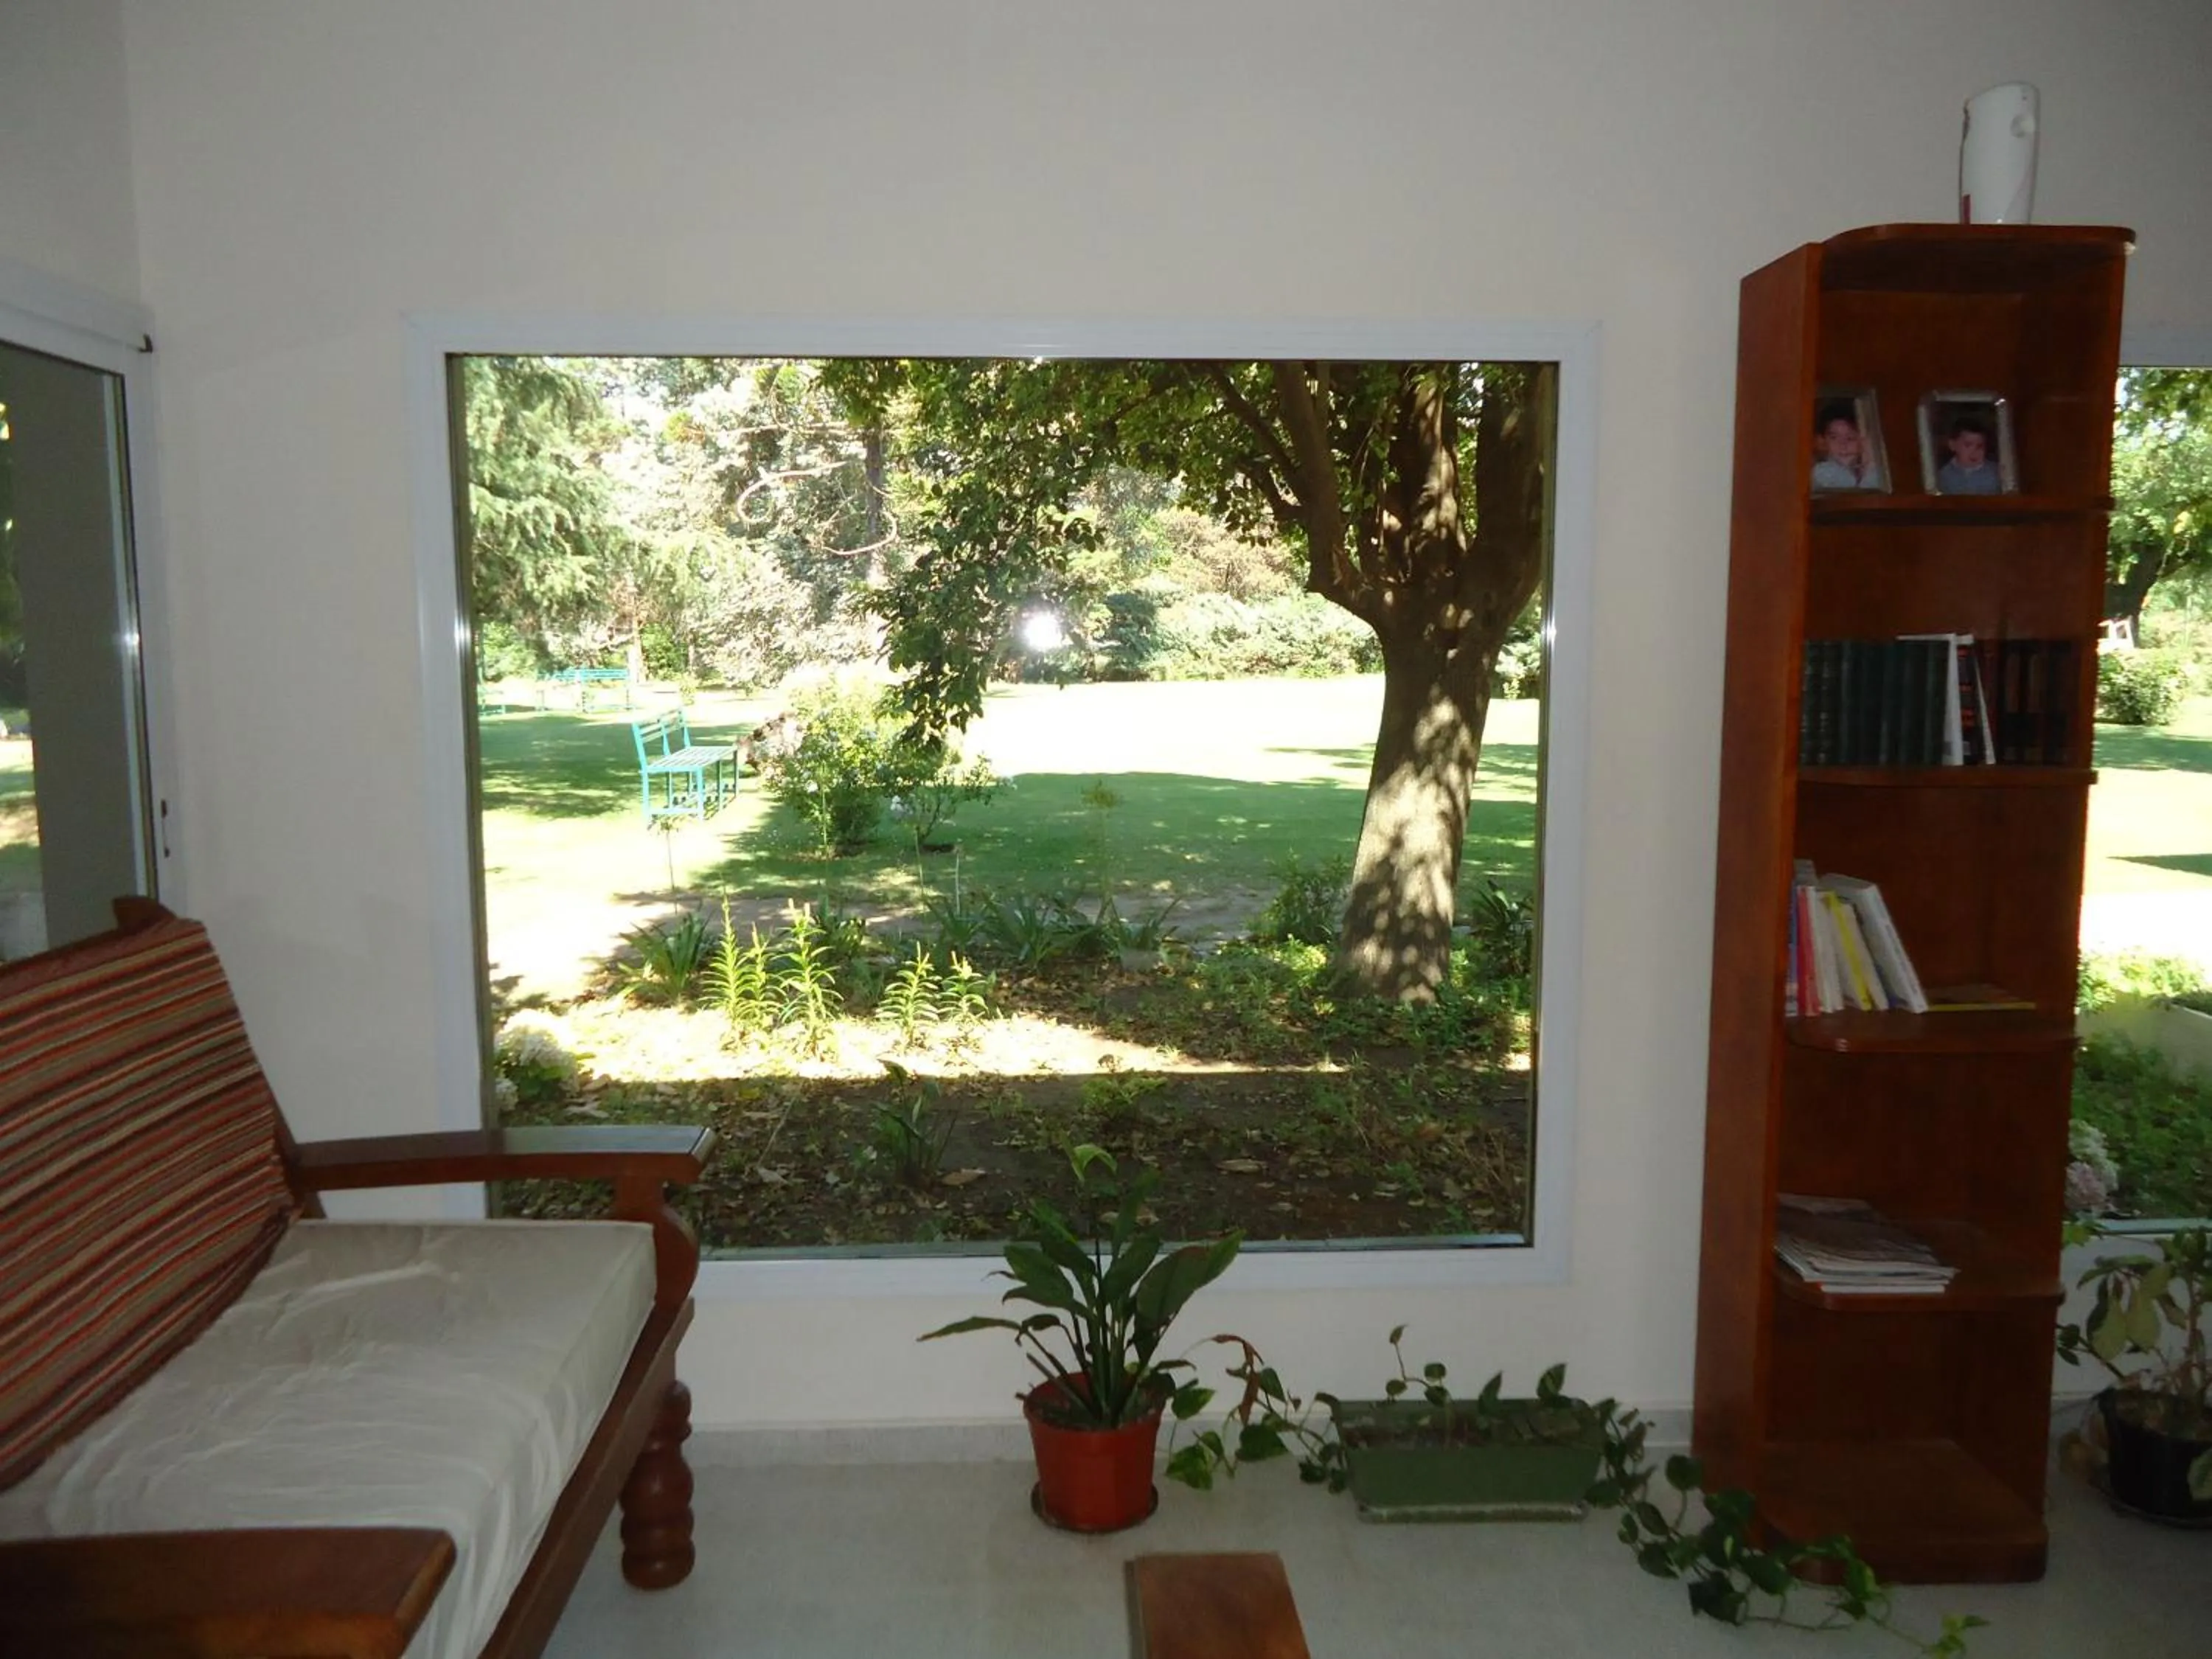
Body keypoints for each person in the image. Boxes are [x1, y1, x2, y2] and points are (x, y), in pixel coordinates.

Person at [1812, 400, 1878, 490]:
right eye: (1834, 438)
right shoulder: (1823, 472)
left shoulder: (1873, 470)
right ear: (1825, 440)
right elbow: (1862, 496)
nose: (1842, 446)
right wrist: (1871, 464)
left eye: (1850, 438)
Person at [1935, 414, 2003, 495]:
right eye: (1968, 445)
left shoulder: (1996, 473)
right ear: (1952, 445)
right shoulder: (1943, 476)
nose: (1975, 451)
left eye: (1980, 446)